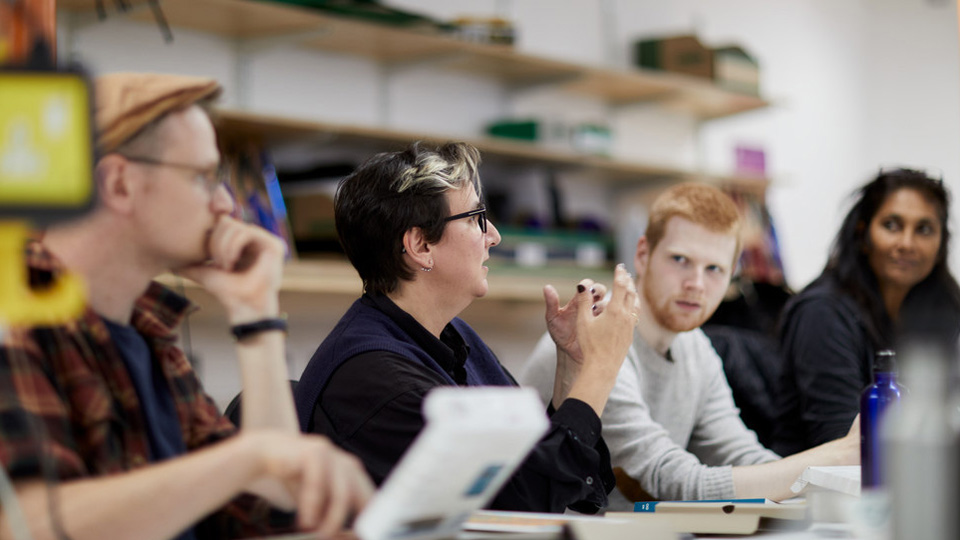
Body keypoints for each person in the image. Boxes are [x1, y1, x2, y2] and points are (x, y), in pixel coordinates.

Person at [0, 72, 373, 540]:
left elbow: (266, 505)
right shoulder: (15, 321)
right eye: (201, 177)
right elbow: (26, 524)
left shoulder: (147, 333)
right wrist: (250, 456)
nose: (225, 204)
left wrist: (255, 313)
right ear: (118, 184)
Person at [293, 141, 639, 514]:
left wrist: (575, 362)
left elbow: (555, 476)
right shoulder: (377, 379)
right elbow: (524, 501)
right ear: (421, 245)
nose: (494, 236)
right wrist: (602, 366)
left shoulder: (451, 336)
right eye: (476, 218)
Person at [520, 183, 859, 507]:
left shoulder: (697, 350)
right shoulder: (596, 335)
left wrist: (827, 482)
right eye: (680, 260)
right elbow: (673, 481)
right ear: (643, 254)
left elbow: (744, 457)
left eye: (714, 268)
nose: (696, 284)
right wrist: (837, 456)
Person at [773, 168, 960, 456]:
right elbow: (846, 443)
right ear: (863, 234)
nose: (907, 244)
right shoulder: (822, 313)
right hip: (817, 492)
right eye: (892, 225)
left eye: (924, 229)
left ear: (940, 244)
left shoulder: (946, 304)